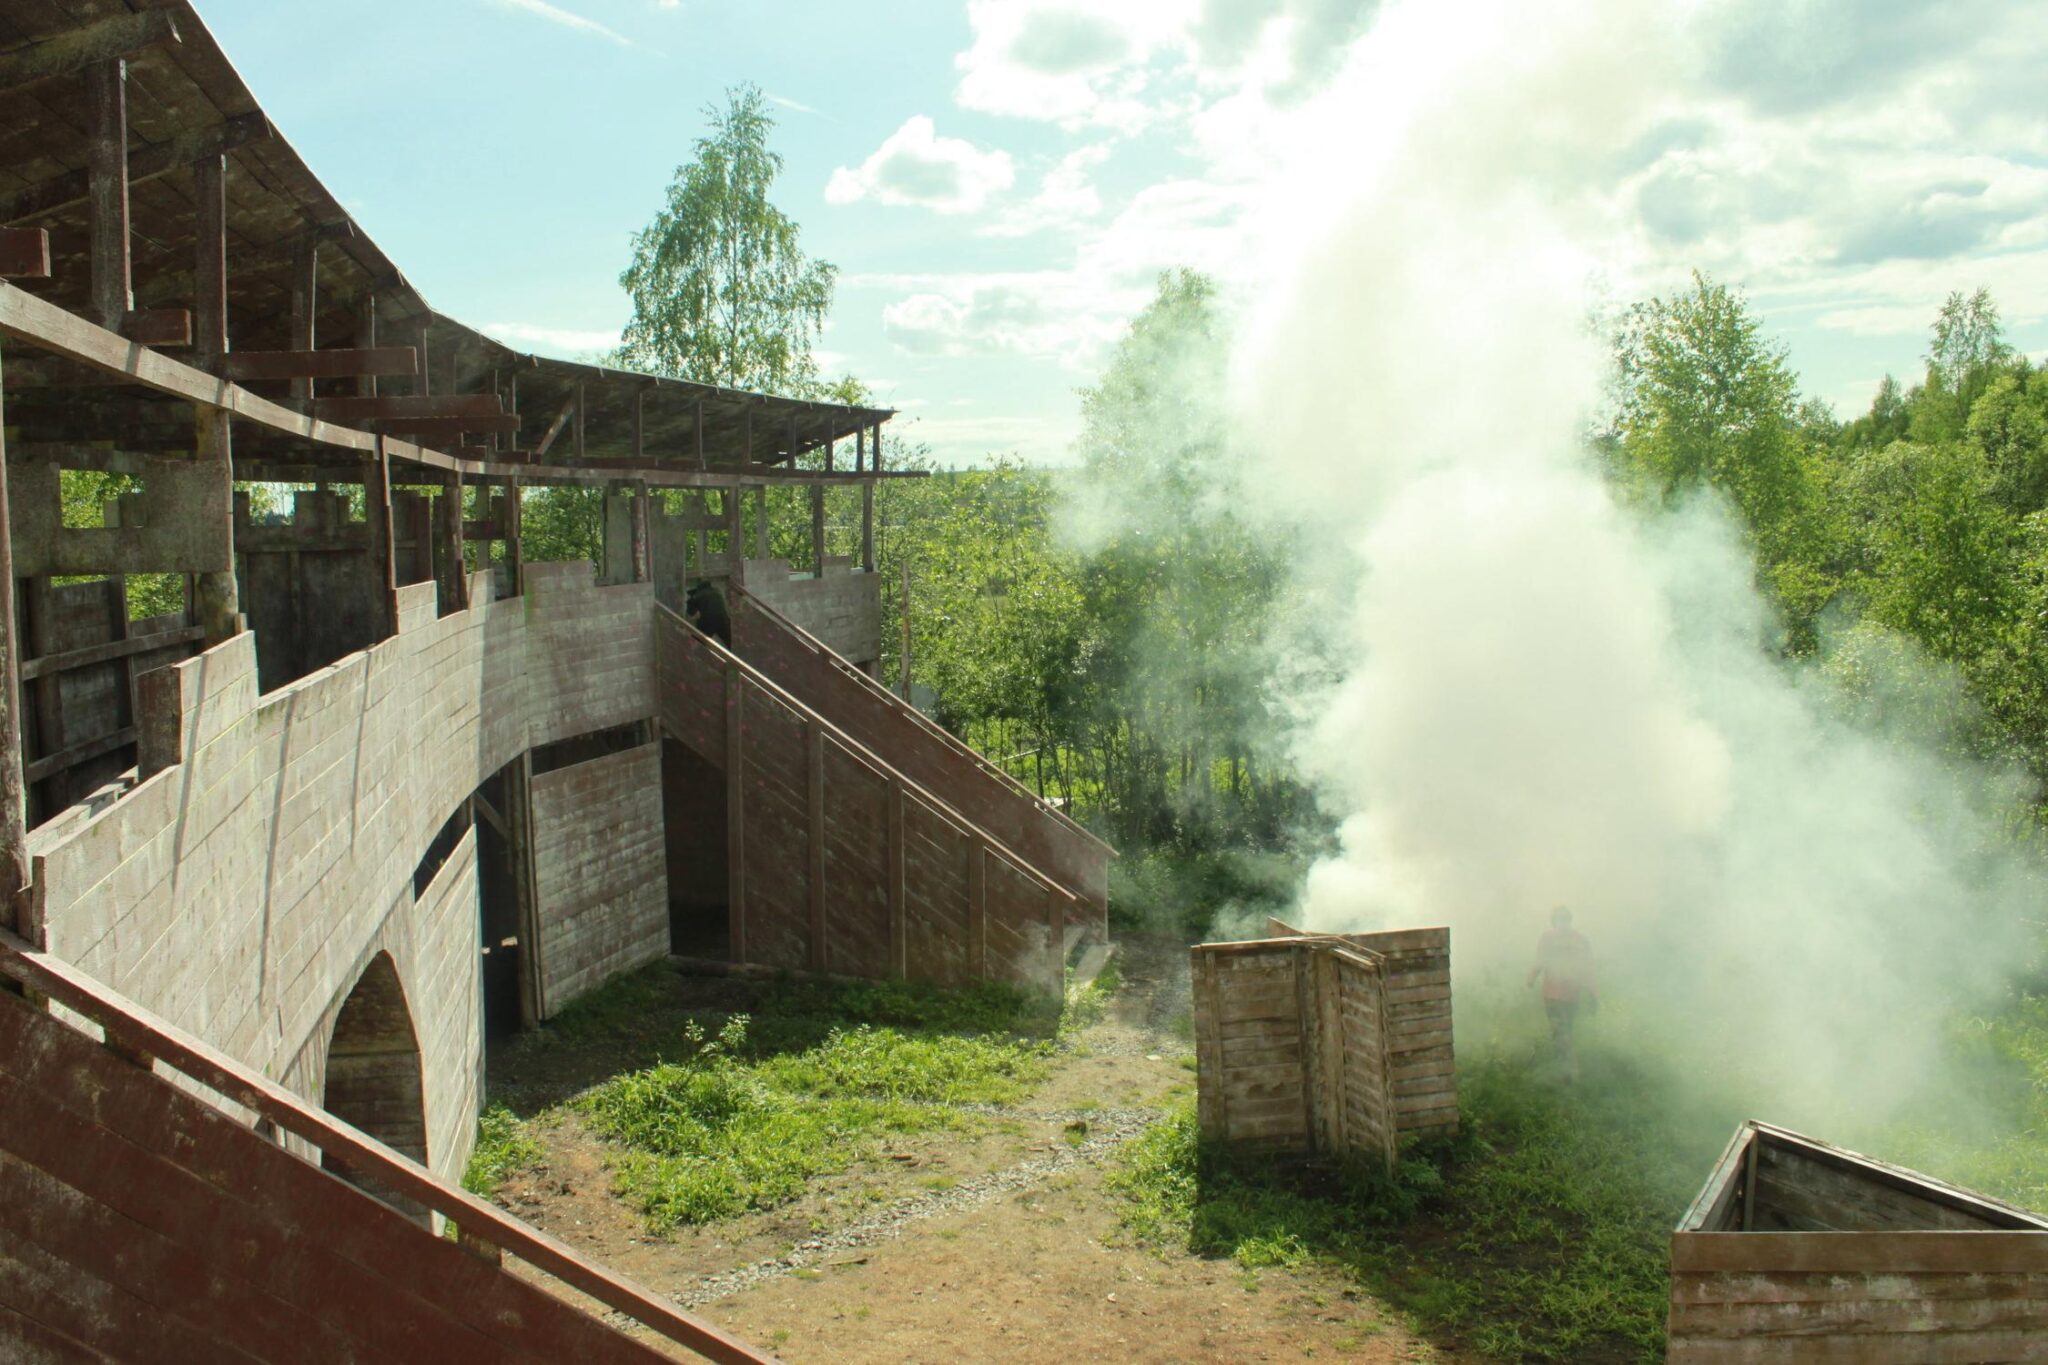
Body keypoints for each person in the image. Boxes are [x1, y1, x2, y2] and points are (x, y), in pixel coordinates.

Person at [1527, 905, 1596, 1075]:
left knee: (1560, 1031)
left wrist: (1531, 978)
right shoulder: (1581, 939)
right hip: (1572, 996)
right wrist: (1593, 993)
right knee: (1566, 1031)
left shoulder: (1549, 937)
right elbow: (1588, 969)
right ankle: (1565, 1068)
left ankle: (1567, 1072)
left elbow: (1541, 960)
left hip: (1554, 995)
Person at [686, 580, 731, 647]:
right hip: (724, 620)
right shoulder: (717, 592)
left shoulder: (696, 596)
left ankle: (694, 654)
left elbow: (693, 613)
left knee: (698, 641)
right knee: (729, 642)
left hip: (708, 621)